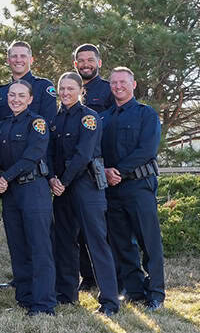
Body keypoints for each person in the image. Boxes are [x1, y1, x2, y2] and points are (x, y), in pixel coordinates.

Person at [48, 72, 120, 316]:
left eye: (70, 88)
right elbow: (49, 154)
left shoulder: (89, 117)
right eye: (62, 88)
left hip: (86, 185)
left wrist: (63, 181)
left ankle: (109, 300)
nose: (65, 93)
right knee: (65, 243)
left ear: (81, 91)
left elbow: (83, 155)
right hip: (62, 188)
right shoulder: (54, 120)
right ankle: (67, 295)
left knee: (96, 242)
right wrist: (52, 180)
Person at [0, 80, 56, 316]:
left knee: (39, 247)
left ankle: (44, 303)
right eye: (12, 95)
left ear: (30, 99)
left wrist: (6, 177)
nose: (15, 99)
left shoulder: (37, 123)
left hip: (33, 190)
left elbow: (32, 155)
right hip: (11, 193)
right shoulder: (1, 126)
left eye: (21, 96)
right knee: (18, 246)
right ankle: (24, 298)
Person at [101, 67, 164, 311]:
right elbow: (97, 151)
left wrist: (118, 171)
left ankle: (156, 292)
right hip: (112, 189)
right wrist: (107, 171)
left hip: (138, 186)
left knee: (149, 242)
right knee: (122, 243)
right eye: (114, 83)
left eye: (123, 82)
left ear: (134, 84)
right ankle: (135, 290)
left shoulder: (145, 114)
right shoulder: (104, 118)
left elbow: (147, 150)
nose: (118, 86)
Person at [71, 44, 112, 291]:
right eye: (81, 61)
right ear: (75, 64)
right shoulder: (70, 92)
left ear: (99, 62)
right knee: (79, 231)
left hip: (101, 170)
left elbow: (113, 131)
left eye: (90, 60)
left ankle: (112, 279)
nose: (86, 64)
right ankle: (88, 277)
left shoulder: (108, 90)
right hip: (76, 172)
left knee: (102, 230)